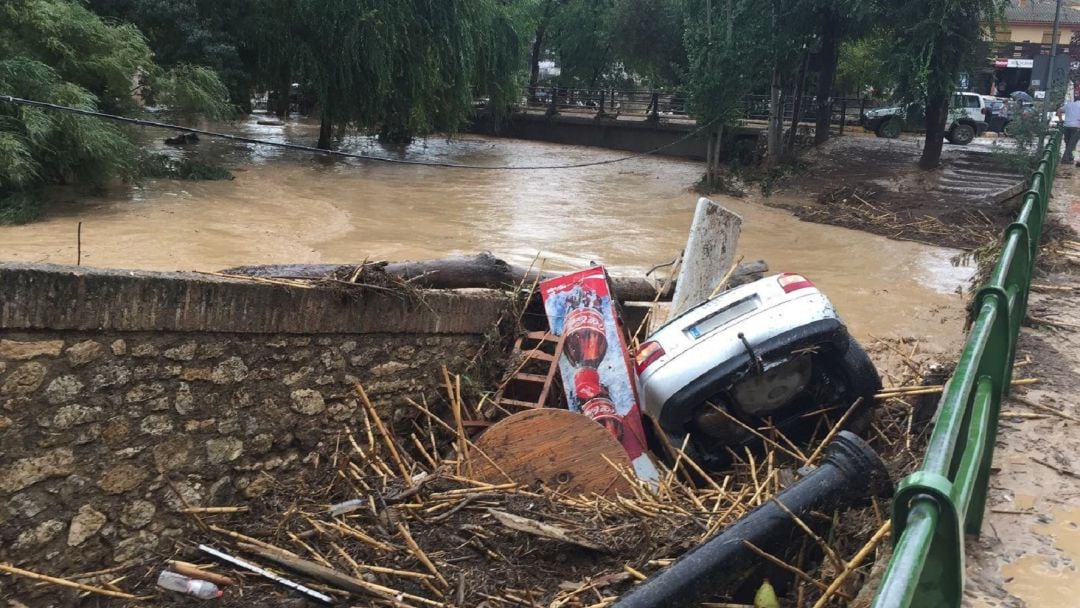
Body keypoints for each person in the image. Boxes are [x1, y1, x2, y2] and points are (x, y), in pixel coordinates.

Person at [1058, 97, 1080, 163]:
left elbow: (1059, 110)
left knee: (1069, 144)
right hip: (1076, 127)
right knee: (1072, 144)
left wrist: (1061, 120)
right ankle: (1065, 159)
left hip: (1066, 126)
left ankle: (1072, 158)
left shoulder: (1068, 104)